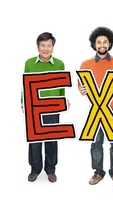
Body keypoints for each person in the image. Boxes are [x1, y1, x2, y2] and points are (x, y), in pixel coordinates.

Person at [78, 26, 113, 186]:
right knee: (96, 143)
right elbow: (81, 85)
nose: (102, 44)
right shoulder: (86, 63)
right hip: (97, 109)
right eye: (98, 42)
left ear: (110, 43)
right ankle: (98, 172)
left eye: (105, 42)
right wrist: (81, 89)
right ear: (94, 44)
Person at [21, 32, 68, 183]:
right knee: (34, 140)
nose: (46, 49)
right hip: (34, 107)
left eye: (49, 46)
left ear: (53, 47)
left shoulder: (59, 64)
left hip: (52, 108)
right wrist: (23, 101)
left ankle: (51, 169)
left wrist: (62, 101)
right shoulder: (29, 63)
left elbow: (61, 86)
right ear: (38, 47)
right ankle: (35, 169)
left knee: (51, 139)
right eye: (43, 46)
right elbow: (25, 84)